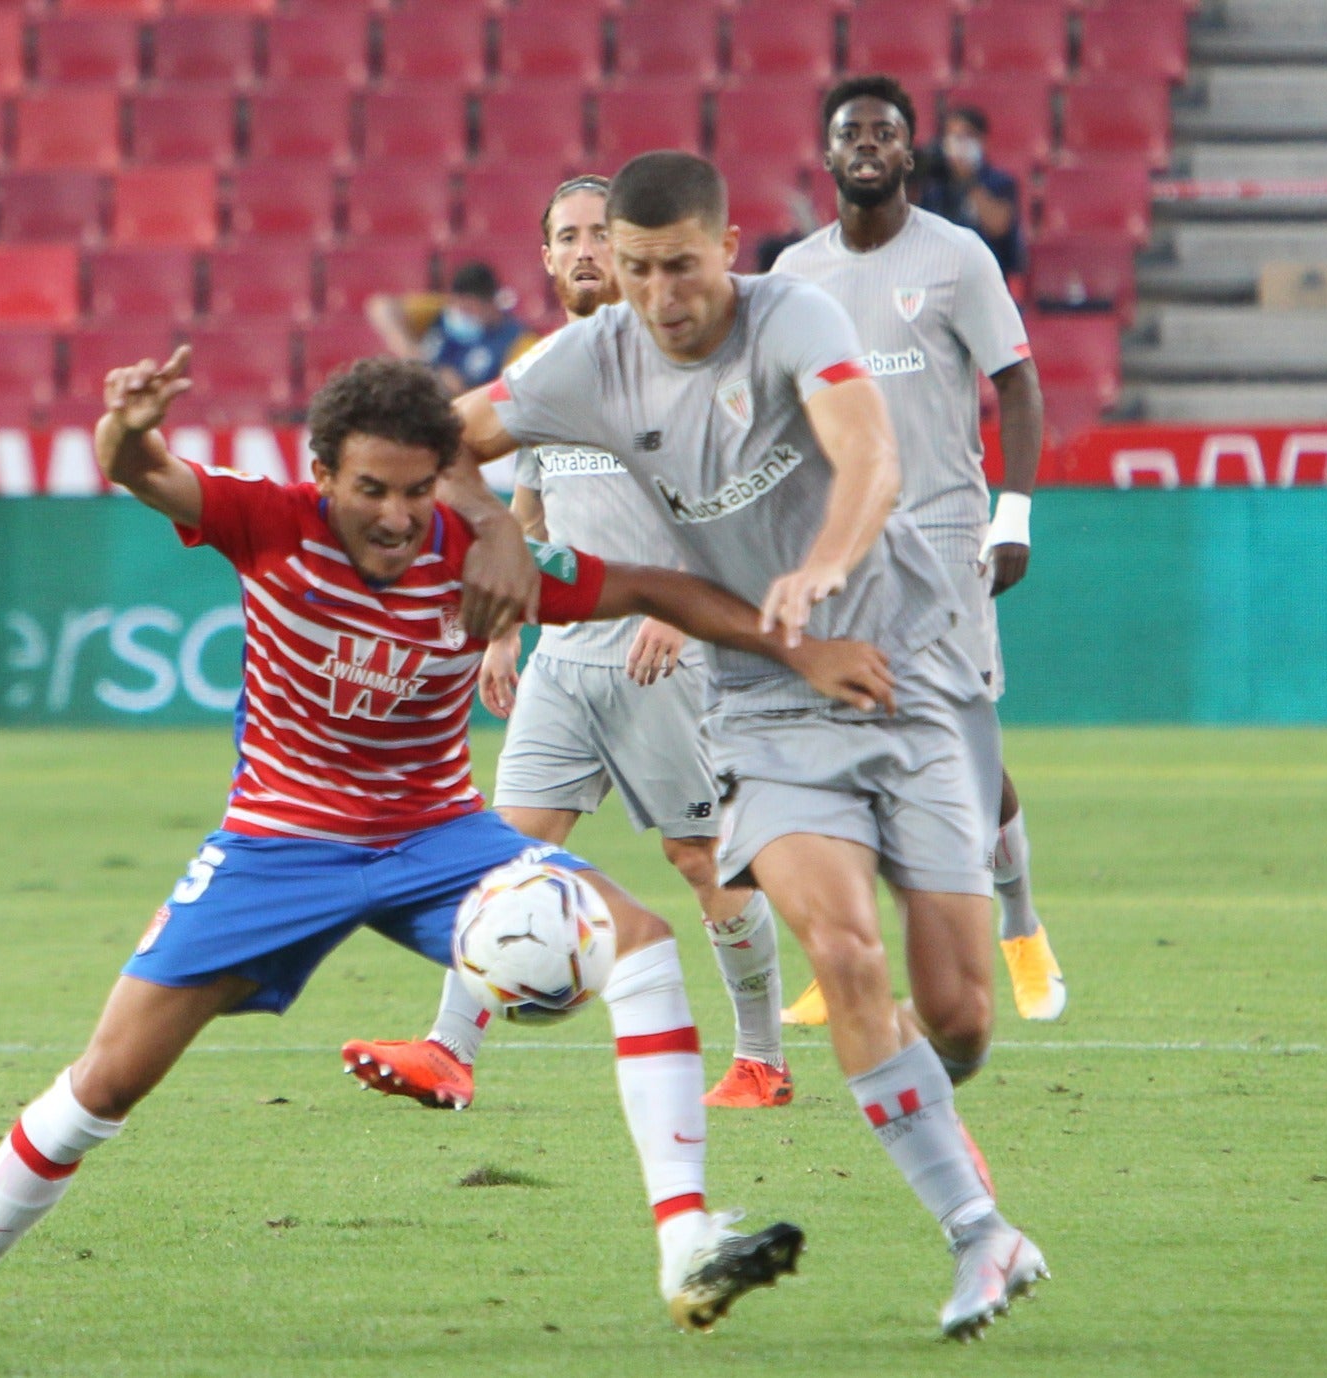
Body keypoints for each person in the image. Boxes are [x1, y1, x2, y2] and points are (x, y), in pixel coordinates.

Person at [0, 349, 911, 1343]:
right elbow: (140, 469)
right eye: (370, 490)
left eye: (416, 489)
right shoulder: (268, 521)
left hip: (439, 836)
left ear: (445, 479)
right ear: (322, 476)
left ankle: (686, 1239)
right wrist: (125, 425)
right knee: (106, 1082)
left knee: (640, 941)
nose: (397, 516)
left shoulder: (481, 557)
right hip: (277, 845)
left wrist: (802, 650)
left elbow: (654, 589)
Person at [430, 151, 1051, 1340]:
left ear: (726, 250)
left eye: (680, 266)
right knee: (845, 950)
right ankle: (981, 1233)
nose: (658, 294)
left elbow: (870, 457)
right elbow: (446, 440)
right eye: (635, 267)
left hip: (909, 662)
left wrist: (822, 566)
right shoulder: (581, 361)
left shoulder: (794, 316)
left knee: (959, 1014)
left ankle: (930, 1096)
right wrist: (494, 538)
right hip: (763, 689)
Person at [342, 175, 792, 1115]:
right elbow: (532, 506)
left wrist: (680, 608)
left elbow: (742, 505)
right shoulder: (546, 370)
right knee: (503, 856)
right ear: (545, 257)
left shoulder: (683, 365)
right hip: (566, 659)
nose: (585, 250)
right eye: (568, 237)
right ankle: (449, 1051)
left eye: (599, 234)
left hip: (665, 657)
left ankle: (762, 1059)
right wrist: (505, 627)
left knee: (703, 860)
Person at [771, 74, 1067, 1029]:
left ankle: (1020, 922)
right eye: (850, 132)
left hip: (941, 536)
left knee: (967, 757)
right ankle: (847, 948)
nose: (867, 144)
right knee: (843, 755)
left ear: (909, 154)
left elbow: (1016, 383)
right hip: (840, 545)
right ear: (827, 155)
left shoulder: (957, 256)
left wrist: (1012, 513)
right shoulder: (794, 274)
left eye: (885, 132)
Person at [366, 259, 537, 394]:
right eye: (459, 307)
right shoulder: (442, 312)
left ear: (490, 303)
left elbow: (511, 395)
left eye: (469, 308)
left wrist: (460, 389)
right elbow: (381, 307)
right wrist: (411, 352)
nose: (462, 314)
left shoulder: (518, 340)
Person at [918, 106, 1025, 279]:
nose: (958, 145)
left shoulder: (1000, 182)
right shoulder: (934, 186)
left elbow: (999, 226)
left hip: (986, 275)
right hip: (940, 273)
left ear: (982, 141)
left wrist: (967, 180)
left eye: (965, 137)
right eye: (952, 137)